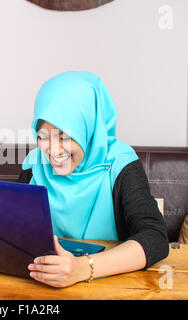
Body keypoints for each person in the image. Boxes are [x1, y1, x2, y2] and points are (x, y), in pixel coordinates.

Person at [18, 71, 169, 288]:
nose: (52, 150)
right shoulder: (34, 165)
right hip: (44, 286)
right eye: (42, 137)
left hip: (109, 286)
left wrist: (81, 268)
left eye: (65, 137)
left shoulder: (121, 164)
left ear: (89, 128)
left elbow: (155, 238)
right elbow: (12, 226)